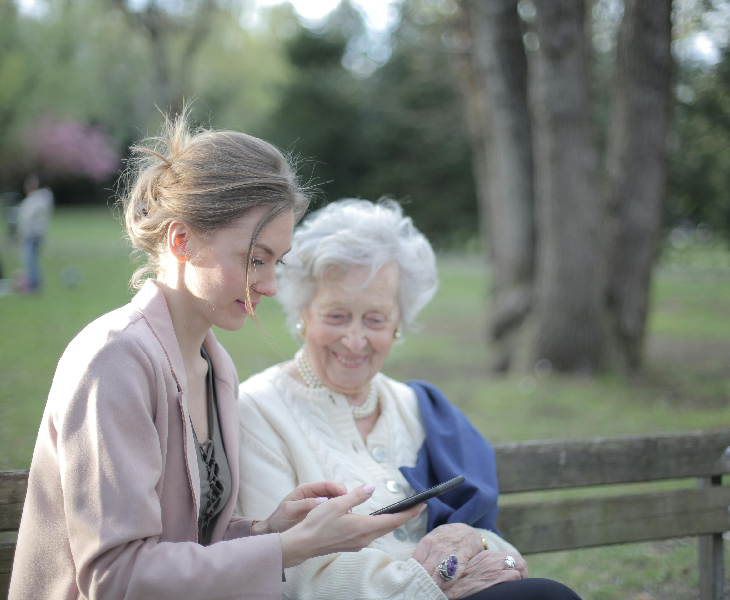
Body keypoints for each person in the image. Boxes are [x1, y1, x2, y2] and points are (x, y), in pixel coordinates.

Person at [9, 117, 422, 600]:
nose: (269, 285)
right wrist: (286, 550)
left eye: (276, 262)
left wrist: (269, 529)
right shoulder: (114, 360)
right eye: (254, 259)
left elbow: (187, 544)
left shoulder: (214, 365)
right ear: (182, 240)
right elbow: (116, 578)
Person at [237, 200, 581, 600]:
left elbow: (500, 550)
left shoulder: (420, 408)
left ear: (398, 324)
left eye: (375, 319)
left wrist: (477, 543)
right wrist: (430, 583)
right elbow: (298, 575)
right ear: (303, 313)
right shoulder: (257, 411)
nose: (354, 339)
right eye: (335, 316)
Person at [16, 173, 54, 293]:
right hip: (32, 233)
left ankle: (34, 284)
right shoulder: (37, 198)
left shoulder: (40, 197)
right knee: (30, 259)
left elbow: (27, 216)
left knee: (30, 259)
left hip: (33, 234)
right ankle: (32, 282)